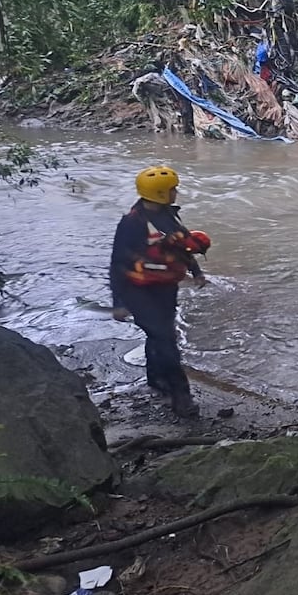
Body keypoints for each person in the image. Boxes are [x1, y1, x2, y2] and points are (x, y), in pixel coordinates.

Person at [109, 166, 210, 418]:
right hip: (137, 291)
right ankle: (181, 398)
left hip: (164, 288)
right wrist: (118, 302)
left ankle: (156, 381)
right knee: (166, 340)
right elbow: (117, 262)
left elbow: (182, 247)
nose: (176, 193)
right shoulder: (131, 224)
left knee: (159, 336)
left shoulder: (169, 216)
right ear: (160, 193)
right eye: (172, 190)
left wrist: (196, 272)